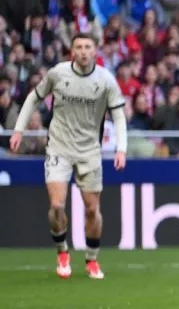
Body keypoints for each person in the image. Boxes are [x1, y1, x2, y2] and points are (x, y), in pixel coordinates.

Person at [9, 33, 127, 280]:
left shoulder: (105, 80)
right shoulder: (58, 73)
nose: (83, 51)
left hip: (89, 151)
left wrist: (121, 148)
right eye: (79, 47)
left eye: (88, 47)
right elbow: (33, 97)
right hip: (59, 147)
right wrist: (18, 129)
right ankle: (62, 252)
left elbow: (118, 114)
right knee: (56, 205)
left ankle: (91, 259)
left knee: (93, 210)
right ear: (72, 51)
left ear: (95, 51)